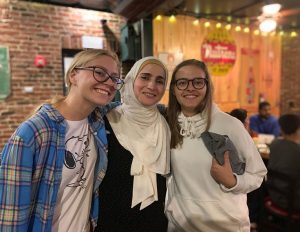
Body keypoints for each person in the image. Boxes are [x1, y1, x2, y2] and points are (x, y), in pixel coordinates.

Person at [0, 49, 123, 231]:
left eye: (115, 78)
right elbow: (11, 213)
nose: (110, 83)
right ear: (74, 75)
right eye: (99, 72)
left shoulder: (97, 120)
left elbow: (134, 108)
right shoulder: (33, 133)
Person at [165, 59, 267, 232]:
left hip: (223, 226)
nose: (190, 88)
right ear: (174, 90)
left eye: (198, 82)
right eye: (182, 83)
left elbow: (258, 174)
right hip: (180, 224)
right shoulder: (169, 124)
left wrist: (232, 181)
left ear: (207, 87)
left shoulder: (230, 124)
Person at [96, 57, 170, 232]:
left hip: (158, 223)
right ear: (130, 80)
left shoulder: (168, 124)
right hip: (112, 222)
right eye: (144, 77)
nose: (152, 86)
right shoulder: (105, 121)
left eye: (160, 81)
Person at [267, 113, 300, 211]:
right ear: (298, 129)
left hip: (273, 194)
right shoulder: (297, 150)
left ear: (281, 129)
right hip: (293, 201)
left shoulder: (274, 144)